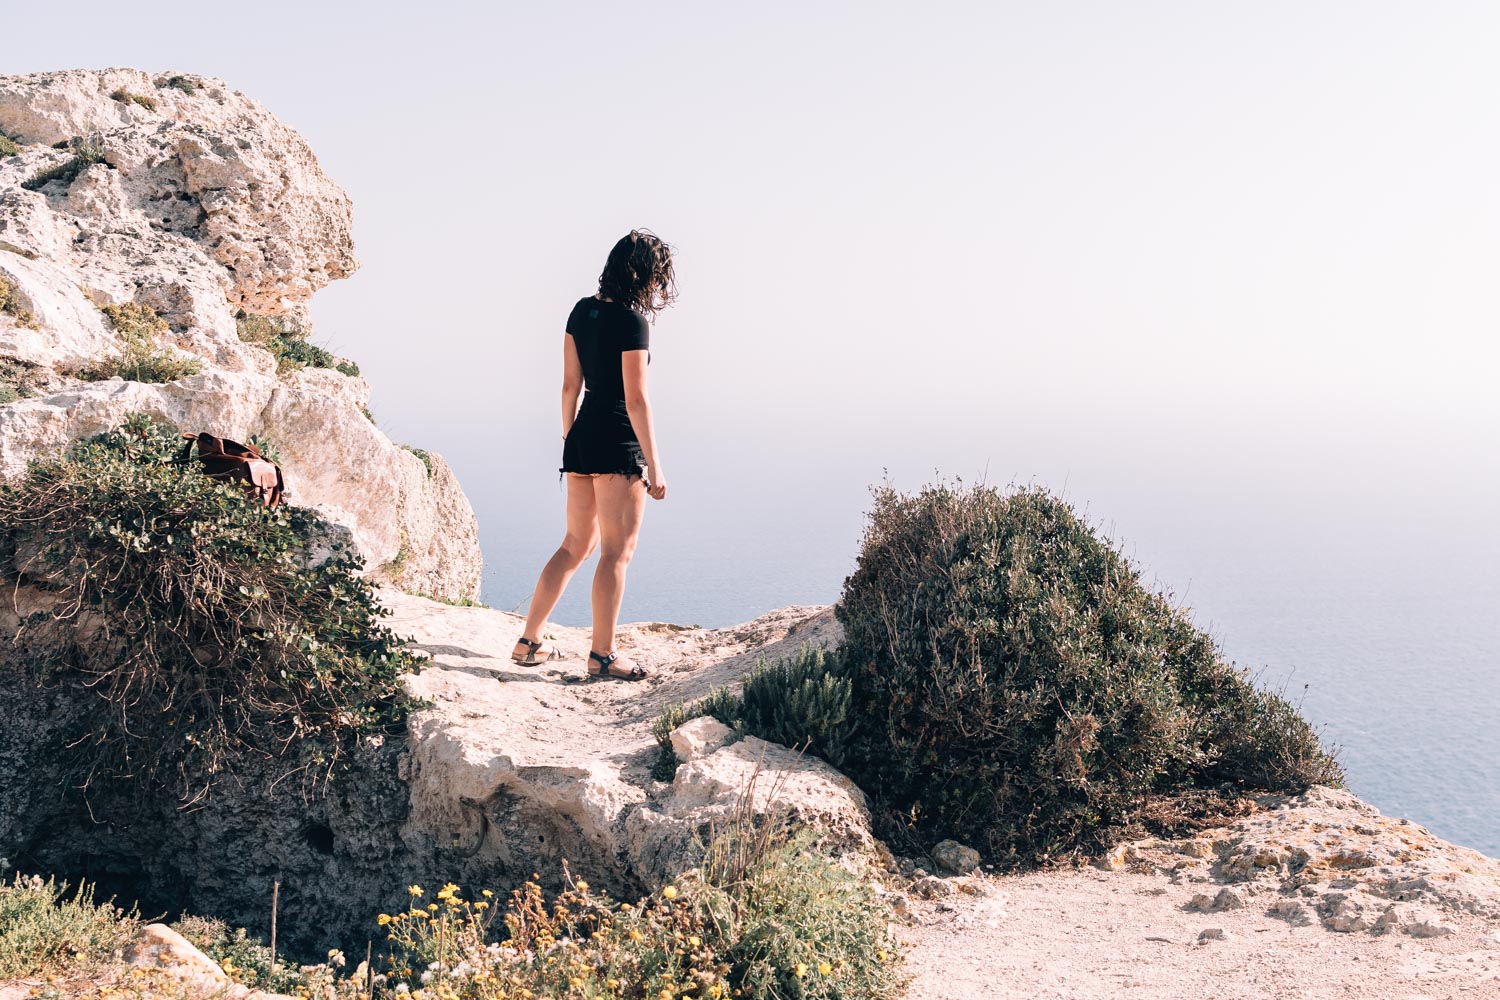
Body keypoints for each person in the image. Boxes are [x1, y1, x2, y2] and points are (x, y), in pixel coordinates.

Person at [510, 230, 677, 681]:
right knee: (615, 553)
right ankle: (603, 654)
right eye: (658, 275)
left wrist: (571, 442)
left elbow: (570, 386)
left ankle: (529, 642)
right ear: (641, 274)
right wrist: (655, 465)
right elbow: (636, 400)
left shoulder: (581, 311)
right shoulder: (631, 323)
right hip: (618, 441)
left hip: (581, 436)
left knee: (573, 544)